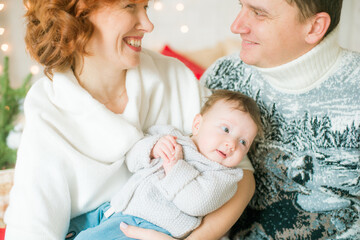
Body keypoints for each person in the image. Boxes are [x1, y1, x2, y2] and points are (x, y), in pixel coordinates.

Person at [4, 1, 256, 239]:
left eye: (145, 7)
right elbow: (32, 228)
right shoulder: (48, 106)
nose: (148, 24)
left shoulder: (173, 76)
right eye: (130, 6)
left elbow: (243, 176)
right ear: (81, 11)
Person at [201, 0, 360, 239]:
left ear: (315, 27)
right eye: (241, 6)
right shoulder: (223, 76)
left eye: (258, 13)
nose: (237, 26)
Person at [68, 90, 263, 240]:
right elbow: (132, 161)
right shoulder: (171, 136)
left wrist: (175, 167)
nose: (232, 144)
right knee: (68, 227)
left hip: (148, 227)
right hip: (115, 208)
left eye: (243, 142)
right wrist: (151, 148)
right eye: (226, 129)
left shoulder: (224, 177)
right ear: (197, 124)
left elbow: (196, 204)